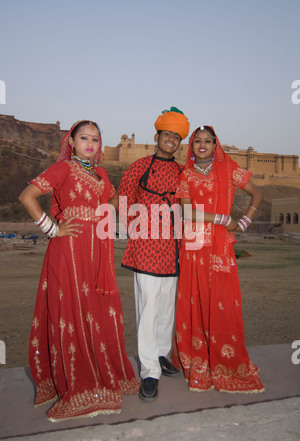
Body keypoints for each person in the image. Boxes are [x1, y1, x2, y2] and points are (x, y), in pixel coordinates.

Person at [19, 120, 140, 422]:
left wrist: (110, 209)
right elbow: (27, 197)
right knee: (72, 311)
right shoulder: (62, 169)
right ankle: (78, 383)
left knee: (97, 309)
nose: (90, 144)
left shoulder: (100, 173)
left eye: (95, 139)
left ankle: (102, 372)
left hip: (97, 249)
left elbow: (111, 197)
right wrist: (52, 229)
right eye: (83, 138)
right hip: (69, 250)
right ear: (70, 142)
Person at [171, 125, 265, 393]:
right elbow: (187, 213)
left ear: (215, 145)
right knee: (195, 301)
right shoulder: (186, 174)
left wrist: (245, 221)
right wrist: (224, 219)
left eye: (207, 141)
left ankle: (225, 364)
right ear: (192, 146)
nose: (202, 144)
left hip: (220, 245)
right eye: (197, 141)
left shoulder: (229, 169)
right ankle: (199, 363)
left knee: (223, 303)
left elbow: (257, 194)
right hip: (194, 245)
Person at [118, 107, 190, 401]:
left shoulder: (181, 172)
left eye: (176, 136)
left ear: (179, 142)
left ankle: (161, 355)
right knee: (148, 306)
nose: (171, 140)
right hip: (146, 245)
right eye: (167, 134)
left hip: (173, 246)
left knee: (166, 308)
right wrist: (138, 230)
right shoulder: (139, 166)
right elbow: (124, 199)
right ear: (157, 136)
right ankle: (149, 370)